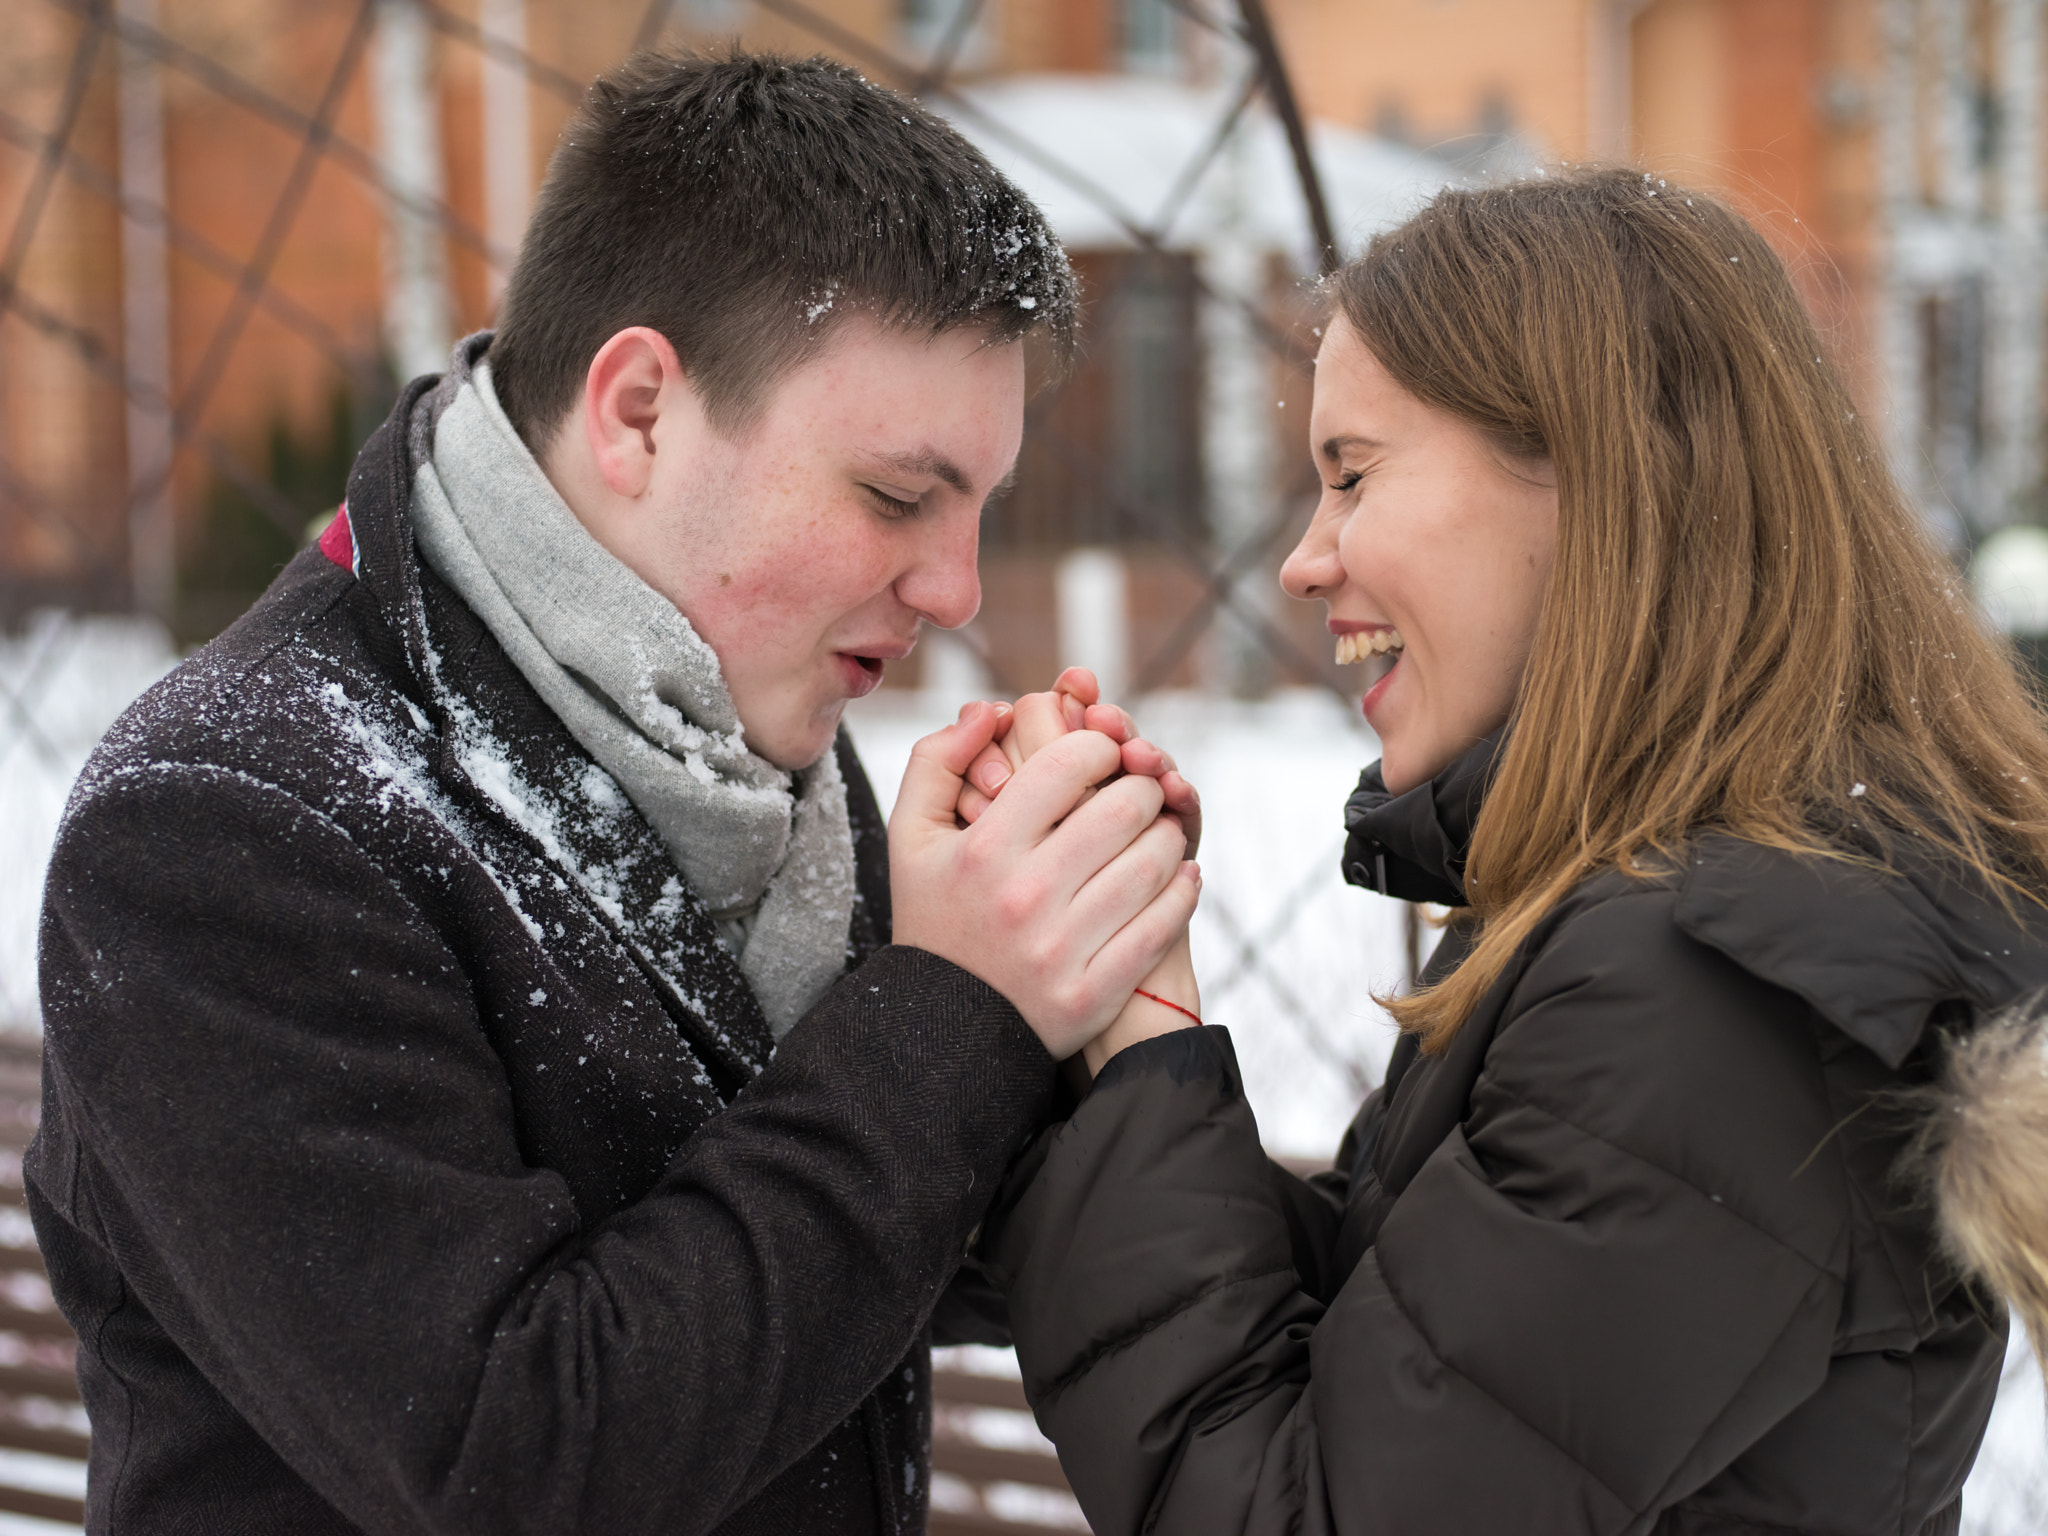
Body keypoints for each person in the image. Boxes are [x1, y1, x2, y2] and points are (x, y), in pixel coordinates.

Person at [28, 51, 1199, 1534]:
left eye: (983, 509)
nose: (955, 589)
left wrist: (1102, 1005)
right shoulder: (228, 825)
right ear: (640, 409)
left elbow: (870, 1227)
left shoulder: (710, 724)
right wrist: (952, 1010)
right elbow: (521, 1460)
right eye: (901, 498)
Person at [963, 168, 2048, 1535]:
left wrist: (1143, 1039)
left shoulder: (1712, 999)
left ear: (1592, 483)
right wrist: (977, 1128)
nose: (1306, 560)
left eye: (1352, 474)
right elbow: (1409, 1335)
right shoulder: (1691, 916)